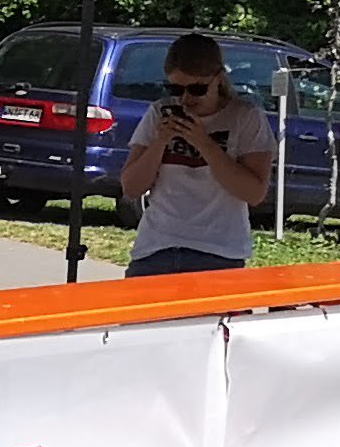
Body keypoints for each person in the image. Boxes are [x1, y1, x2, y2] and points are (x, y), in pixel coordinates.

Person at [116, 33, 274, 276]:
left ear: (218, 78)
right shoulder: (160, 112)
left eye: (197, 89)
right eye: (175, 88)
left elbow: (254, 193)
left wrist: (204, 143)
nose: (186, 98)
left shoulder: (245, 117)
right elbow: (132, 188)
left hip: (218, 252)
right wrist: (160, 142)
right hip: (156, 248)